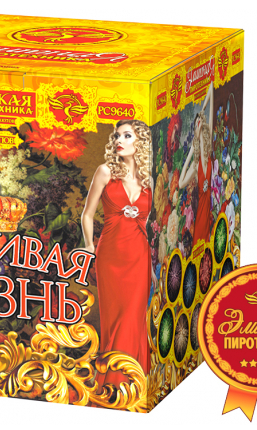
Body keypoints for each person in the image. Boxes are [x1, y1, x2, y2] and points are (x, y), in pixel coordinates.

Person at [76, 119, 157, 383]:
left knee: (134, 317)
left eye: (127, 135)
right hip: (110, 256)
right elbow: (87, 215)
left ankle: (133, 380)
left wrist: (152, 265)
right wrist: (89, 246)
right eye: (117, 136)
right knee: (114, 319)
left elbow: (147, 226)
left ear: (140, 141)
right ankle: (112, 381)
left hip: (139, 257)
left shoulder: (149, 180)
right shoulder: (105, 172)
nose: (119, 140)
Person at [179, 82, 214, 244]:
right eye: (196, 124)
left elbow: (211, 87)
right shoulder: (195, 165)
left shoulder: (209, 148)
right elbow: (181, 184)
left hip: (208, 214)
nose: (198, 124)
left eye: (200, 122)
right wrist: (191, 152)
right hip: (200, 217)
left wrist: (203, 110)